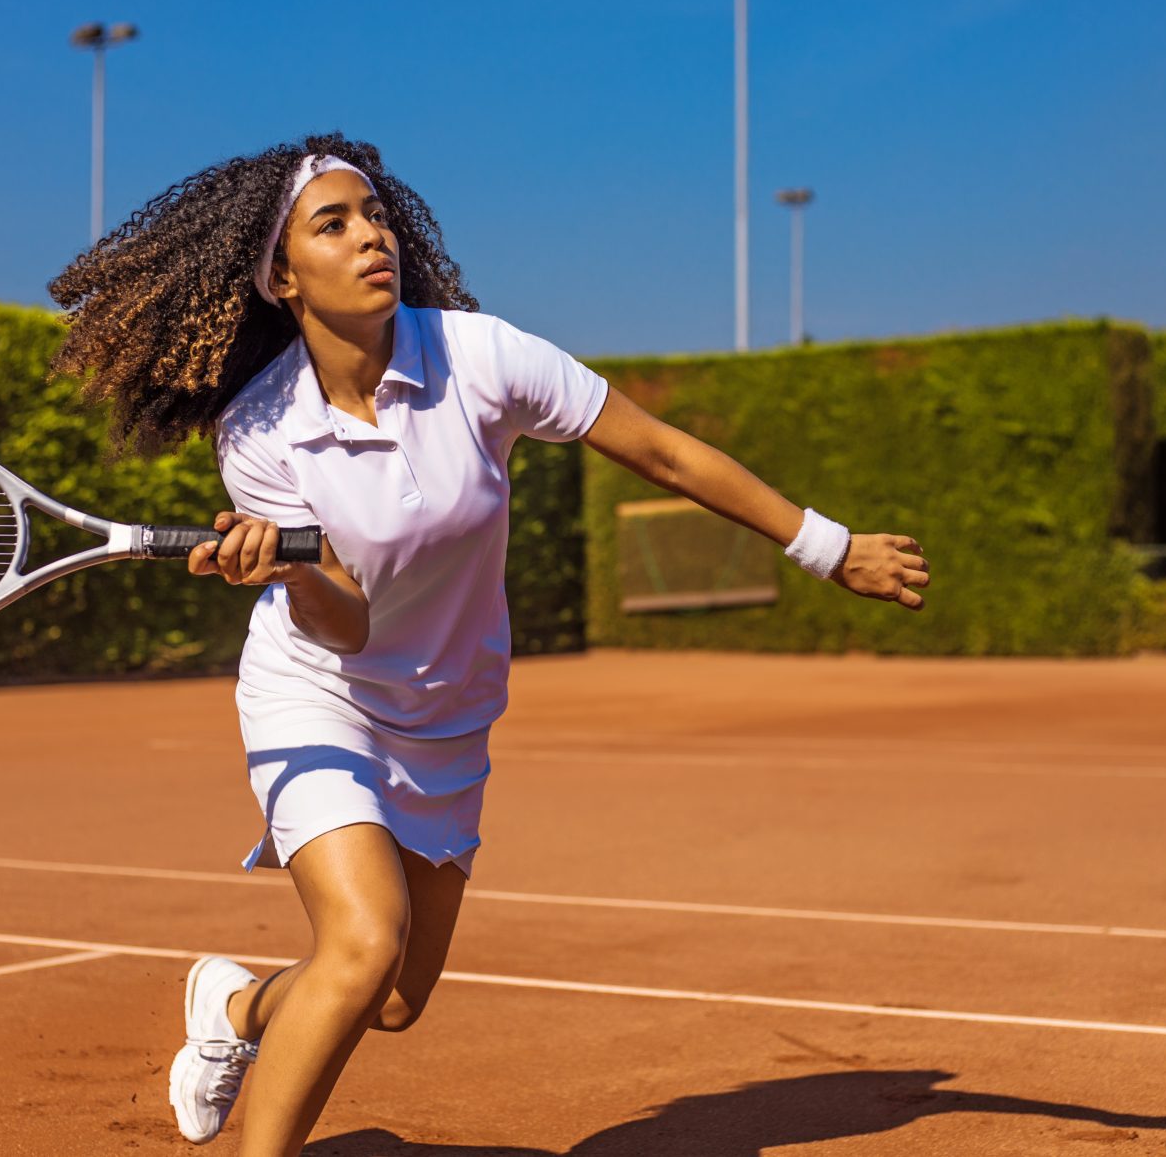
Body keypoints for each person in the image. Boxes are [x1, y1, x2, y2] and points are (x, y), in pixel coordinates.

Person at [47, 133, 930, 1155]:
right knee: (364, 939)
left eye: (375, 214)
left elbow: (663, 448)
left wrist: (830, 547)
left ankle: (237, 1008)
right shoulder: (259, 433)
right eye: (333, 223)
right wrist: (291, 566)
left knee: (388, 999)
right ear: (283, 276)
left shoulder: (481, 355)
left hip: (447, 713)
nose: (371, 234)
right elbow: (342, 615)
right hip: (319, 693)